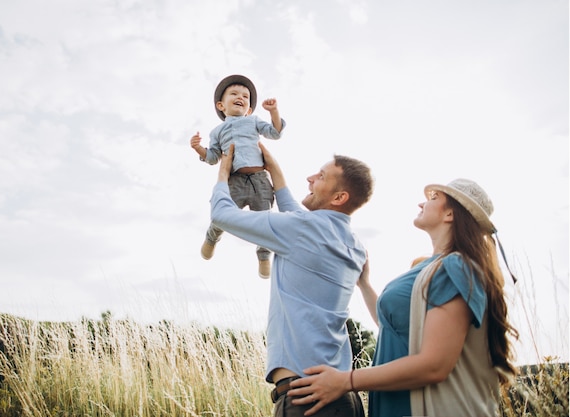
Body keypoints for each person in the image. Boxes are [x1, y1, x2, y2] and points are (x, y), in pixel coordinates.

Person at [287, 178, 519, 417]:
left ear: (450, 214)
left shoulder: (456, 268)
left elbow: (434, 366)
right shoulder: (430, 267)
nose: (421, 203)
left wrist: (346, 381)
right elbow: (396, 328)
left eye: (433, 198)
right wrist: (365, 284)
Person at [211, 142, 373, 417]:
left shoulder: (302, 230)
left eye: (321, 176)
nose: (310, 179)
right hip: (346, 399)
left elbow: (222, 215)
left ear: (339, 197)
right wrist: (274, 168)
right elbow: (294, 213)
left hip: (306, 399)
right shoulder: (354, 245)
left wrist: (223, 173)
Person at [190, 74, 285, 278]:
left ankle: (263, 256)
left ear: (249, 109)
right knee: (223, 213)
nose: (240, 97)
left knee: (264, 220)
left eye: (245, 96)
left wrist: (274, 112)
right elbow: (213, 157)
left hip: (259, 180)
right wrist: (199, 149)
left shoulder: (253, 121)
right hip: (235, 180)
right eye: (233, 94)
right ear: (221, 105)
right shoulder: (217, 132)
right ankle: (212, 238)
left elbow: (275, 133)